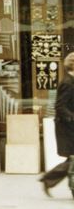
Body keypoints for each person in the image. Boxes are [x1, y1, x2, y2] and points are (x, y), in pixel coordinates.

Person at [40, 52, 74, 197]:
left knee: (72, 160)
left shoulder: (71, 81)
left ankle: (49, 179)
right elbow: (60, 106)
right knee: (72, 159)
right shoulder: (67, 83)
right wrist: (72, 118)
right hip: (67, 127)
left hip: (69, 125)